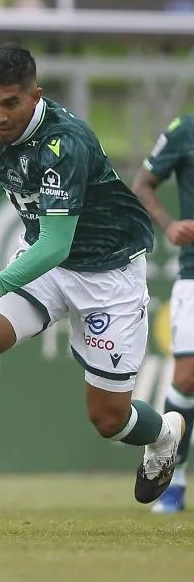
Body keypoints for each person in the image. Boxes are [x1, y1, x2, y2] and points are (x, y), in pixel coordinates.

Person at [0, 43, 183, 521]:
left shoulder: (65, 143)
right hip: (48, 268)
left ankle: (164, 436)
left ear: (36, 96)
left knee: (109, 420)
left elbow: (56, 244)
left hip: (108, 274)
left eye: (10, 103)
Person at [132, 114, 194, 513]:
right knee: (187, 376)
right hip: (193, 272)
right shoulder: (184, 129)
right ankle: (176, 480)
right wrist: (169, 225)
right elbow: (142, 184)